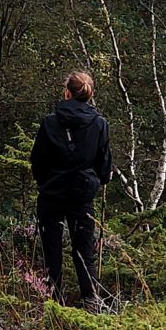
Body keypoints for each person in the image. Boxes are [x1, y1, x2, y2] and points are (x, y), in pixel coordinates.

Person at [29, 70, 113, 306]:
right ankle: (90, 304)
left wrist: (46, 182)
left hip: (51, 194)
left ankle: (54, 306)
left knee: (51, 253)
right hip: (82, 196)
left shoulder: (49, 122)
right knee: (85, 252)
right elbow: (104, 166)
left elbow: (37, 160)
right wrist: (97, 180)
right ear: (90, 94)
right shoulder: (100, 125)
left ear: (67, 92)